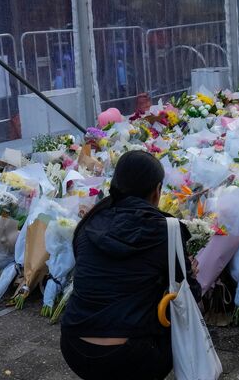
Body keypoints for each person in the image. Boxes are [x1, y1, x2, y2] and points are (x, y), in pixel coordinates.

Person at [60, 150, 202, 380]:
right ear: (157, 191)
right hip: (130, 355)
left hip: (74, 345)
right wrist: (190, 276)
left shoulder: (90, 222)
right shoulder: (165, 230)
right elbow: (189, 298)